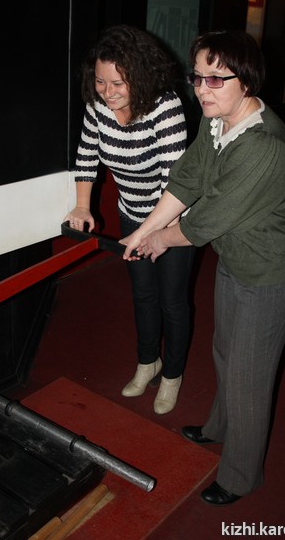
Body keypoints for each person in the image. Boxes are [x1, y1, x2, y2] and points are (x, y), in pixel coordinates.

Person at [121, 30, 285, 505]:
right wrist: (144, 230)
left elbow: (203, 222)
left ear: (246, 81)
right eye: (197, 77)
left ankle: (241, 476)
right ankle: (219, 427)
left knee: (249, 375)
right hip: (236, 258)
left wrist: (158, 240)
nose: (201, 89)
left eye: (215, 79)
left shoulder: (262, 146)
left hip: (270, 274)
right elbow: (186, 179)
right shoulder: (218, 123)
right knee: (226, 352)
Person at [64, 24, 196, 414]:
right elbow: (86, 155)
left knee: (172, 301)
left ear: (138, 75)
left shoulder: (165, 106)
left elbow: (175, 182)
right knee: (143, 294)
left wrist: (150, 233)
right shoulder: (98, 106)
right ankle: (147, 362)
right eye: (100, 81)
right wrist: (83, 206)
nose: (107, 91)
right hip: (132, 213)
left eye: (117, 83)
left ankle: (172, 374)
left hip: (174, 219)